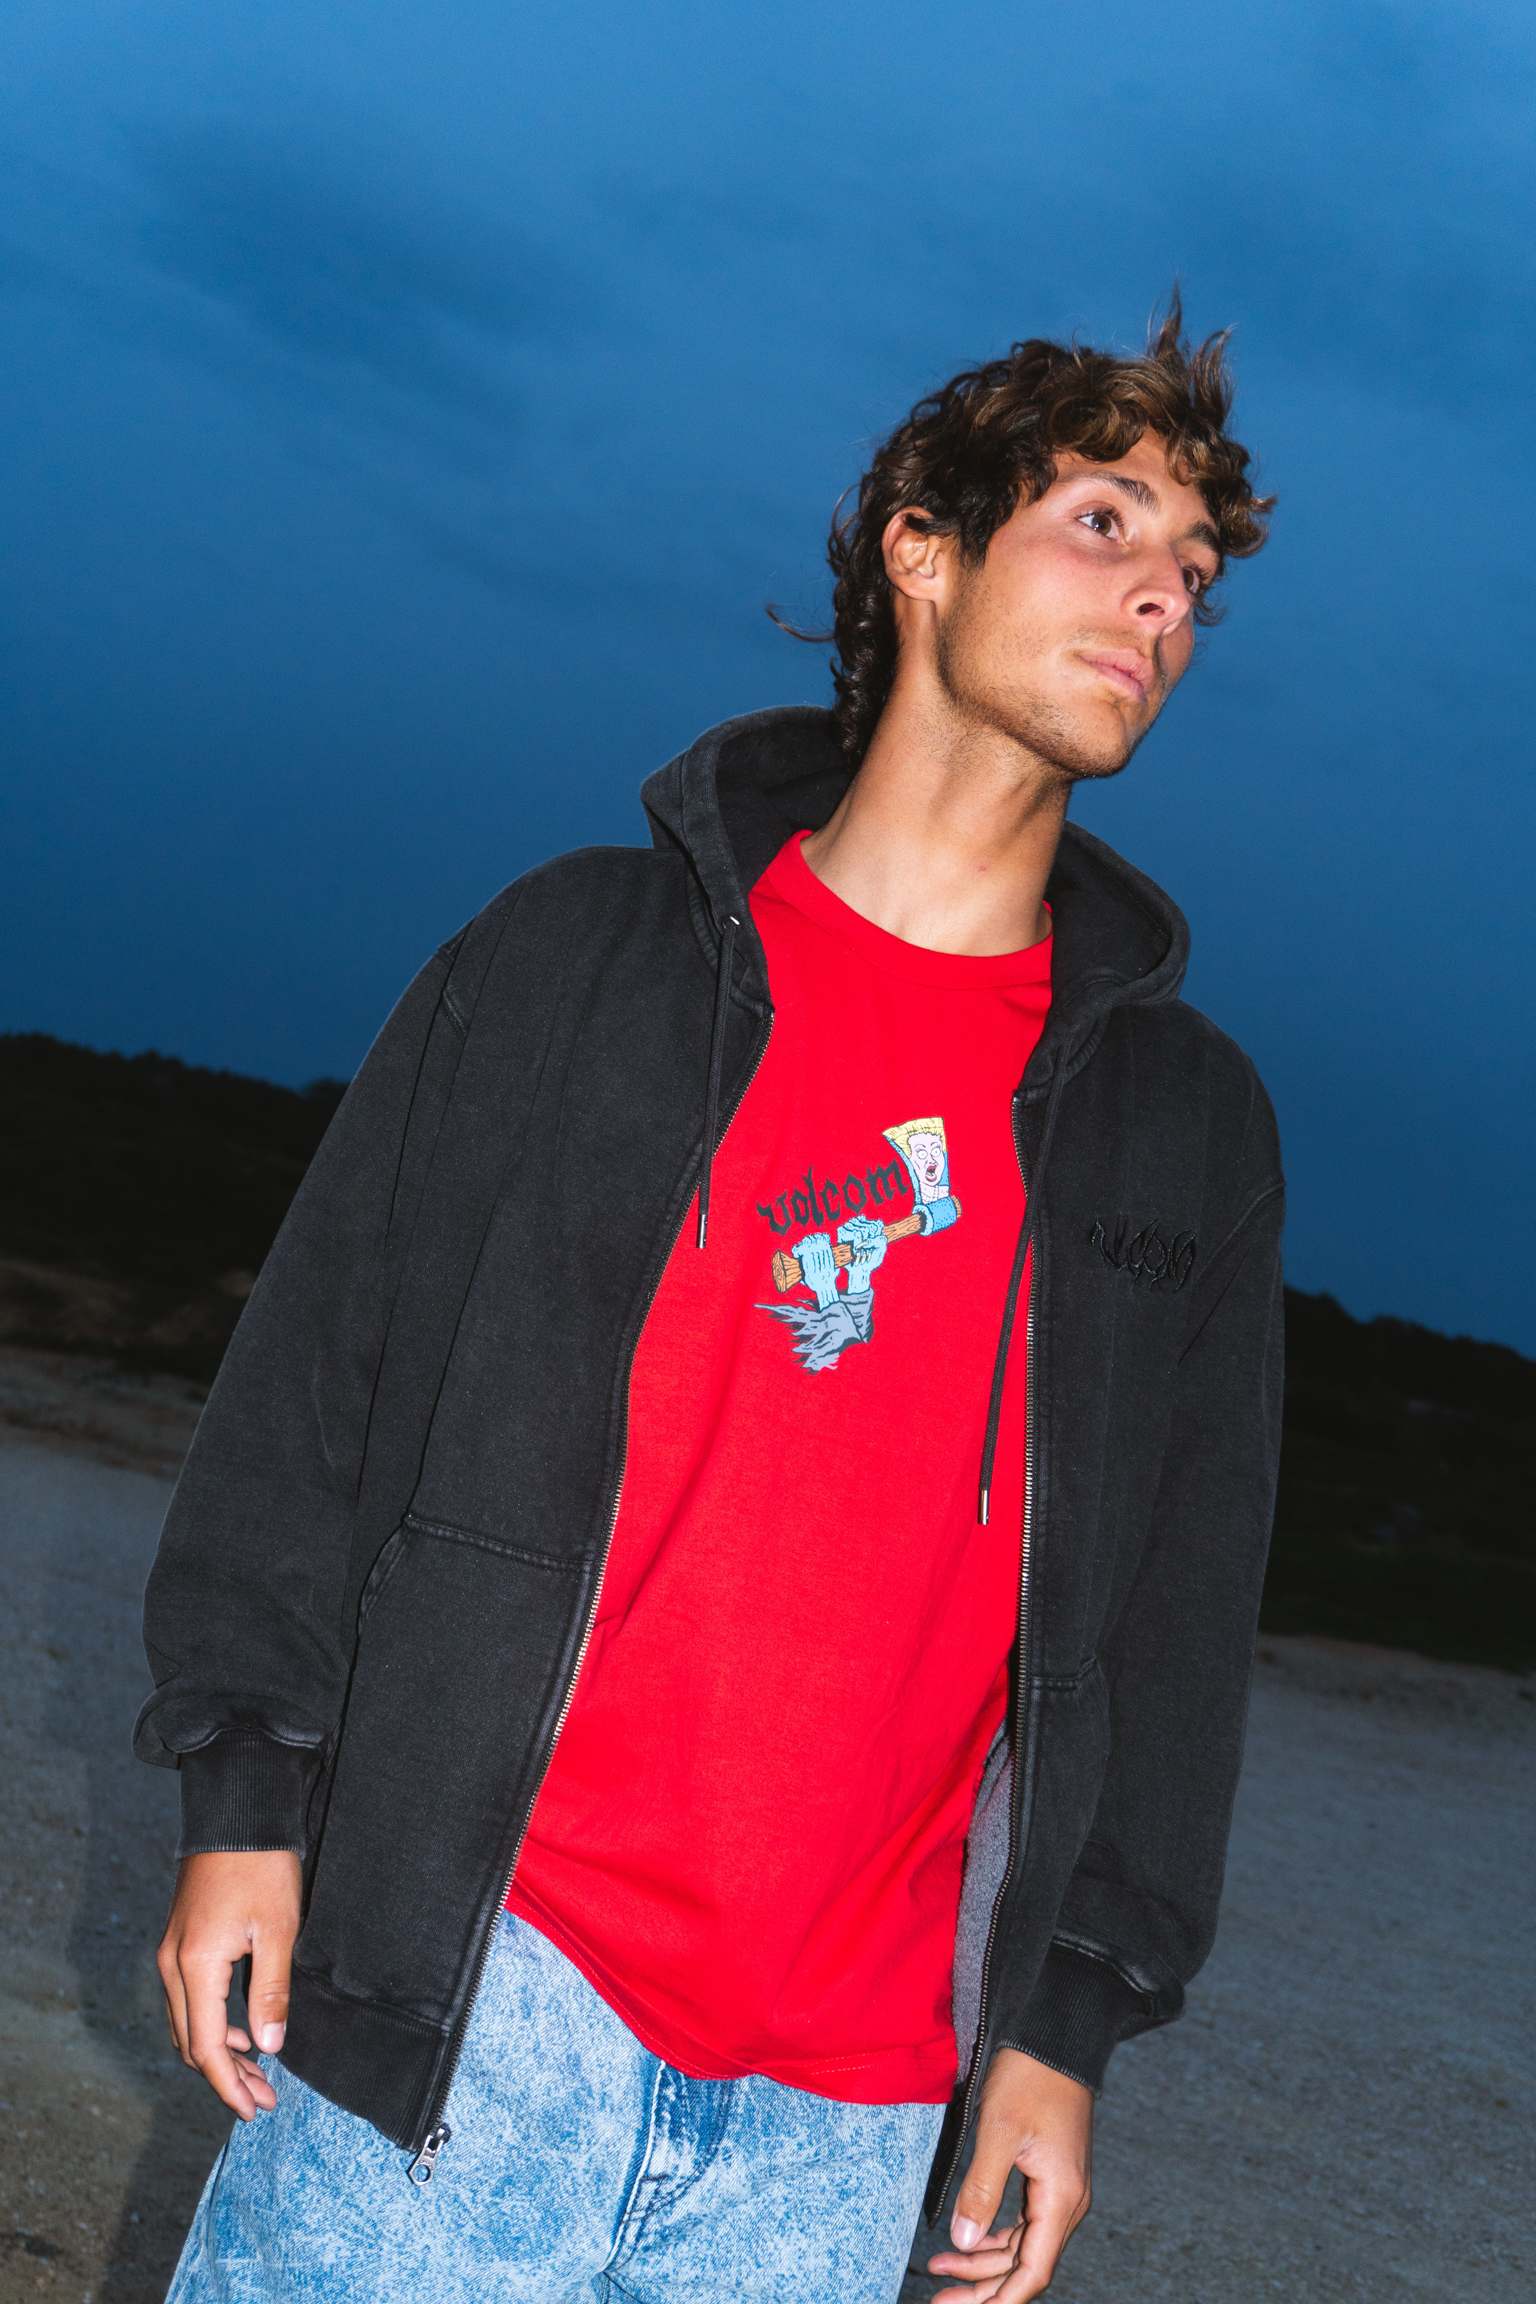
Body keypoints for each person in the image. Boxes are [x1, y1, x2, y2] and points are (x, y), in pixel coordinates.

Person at [141, 297, 1283, 2304]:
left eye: (1194, 573)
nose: (1163, 604)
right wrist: (247, 1794)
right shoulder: (585, 956)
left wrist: (1059, 2034)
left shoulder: (1177, 1126)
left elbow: (1175, 1622)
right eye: (1107, 525)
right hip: (479, 1986)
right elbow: (316, 1381)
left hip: (844, 2127)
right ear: (922, 542)